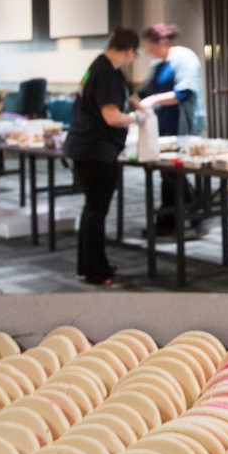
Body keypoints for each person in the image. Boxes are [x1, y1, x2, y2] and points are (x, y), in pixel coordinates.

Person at [63, 29, 141, 286]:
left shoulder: (104, 67)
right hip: (95, 150)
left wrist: (141, 106)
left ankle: (88, 267)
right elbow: (111, 115)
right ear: (129, 51)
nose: (134, 59)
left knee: (92, 210)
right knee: (96, 210)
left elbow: (129, 96)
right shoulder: (106, 73)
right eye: (135, 54)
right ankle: (97, 272)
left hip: (87, 148)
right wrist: (136, 119)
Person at [137, 24, 204, 235]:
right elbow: (146, 90)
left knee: (173, 173)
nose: (149, 52)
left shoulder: (185, 59)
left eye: (150, 46)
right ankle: (171, 218)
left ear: (163, 42)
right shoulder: (159, 63)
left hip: (180, 124)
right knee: (167, 173)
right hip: (162, 124)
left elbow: (184, 93)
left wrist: (154, 100)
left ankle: (189, 212)